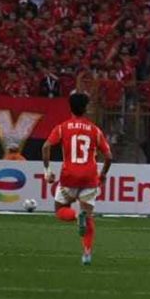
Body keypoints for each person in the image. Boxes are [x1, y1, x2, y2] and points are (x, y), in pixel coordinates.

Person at [42, 93, 112, 265]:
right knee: (89, 217)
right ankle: (87, 253)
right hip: (89, 178)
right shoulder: (95, 130)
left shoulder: (62, 127)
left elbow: (46, 147)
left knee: (60, 210)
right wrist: (103, 174)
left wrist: (47, 170)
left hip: (69, 177)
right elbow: (109, 156)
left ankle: (75, 216)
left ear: (70, 108)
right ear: (86, 108)